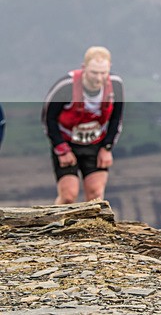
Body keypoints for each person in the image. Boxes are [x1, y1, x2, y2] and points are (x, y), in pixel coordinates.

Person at [42, 46, 124, 204]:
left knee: (96, 194)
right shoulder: (65, 87)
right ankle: (58, 227)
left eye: (103, 73)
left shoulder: (115, 86)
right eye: (94, 72)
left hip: (95, 143)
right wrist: (61, 149)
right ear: (84, 68)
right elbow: (48, 119)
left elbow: (116, 119)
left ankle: (93, 228)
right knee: (68, 195)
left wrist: (107, 148)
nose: (99, 78)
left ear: (109, 69)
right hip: (67, 142)